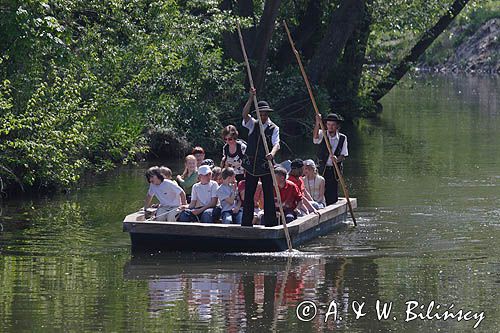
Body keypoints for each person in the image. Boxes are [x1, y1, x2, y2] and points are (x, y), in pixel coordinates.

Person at [241, 88, 280, 227]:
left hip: (265, 165)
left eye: (264, 114)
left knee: (268, 194)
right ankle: (246, 223)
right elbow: (244, 115)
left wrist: (272, 154)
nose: (262, 116)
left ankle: (270, 223)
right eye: (260, 114)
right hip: (251, 165)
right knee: (249, 194)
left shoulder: (273, 128)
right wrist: (251, 98)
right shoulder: (253, 124)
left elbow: (277, 144)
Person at [313, 113, 348, 205]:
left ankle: (332, 208)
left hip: (334, 170)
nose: (330, 127)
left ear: (337, 126)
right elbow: (315, 139)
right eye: (328, 124)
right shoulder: (322, 134)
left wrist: (337, 159)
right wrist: (317, 123)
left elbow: (343, 155)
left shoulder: (342, 138)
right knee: (320, 191)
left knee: (332, 194)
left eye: (333, 125)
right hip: (322, 168)